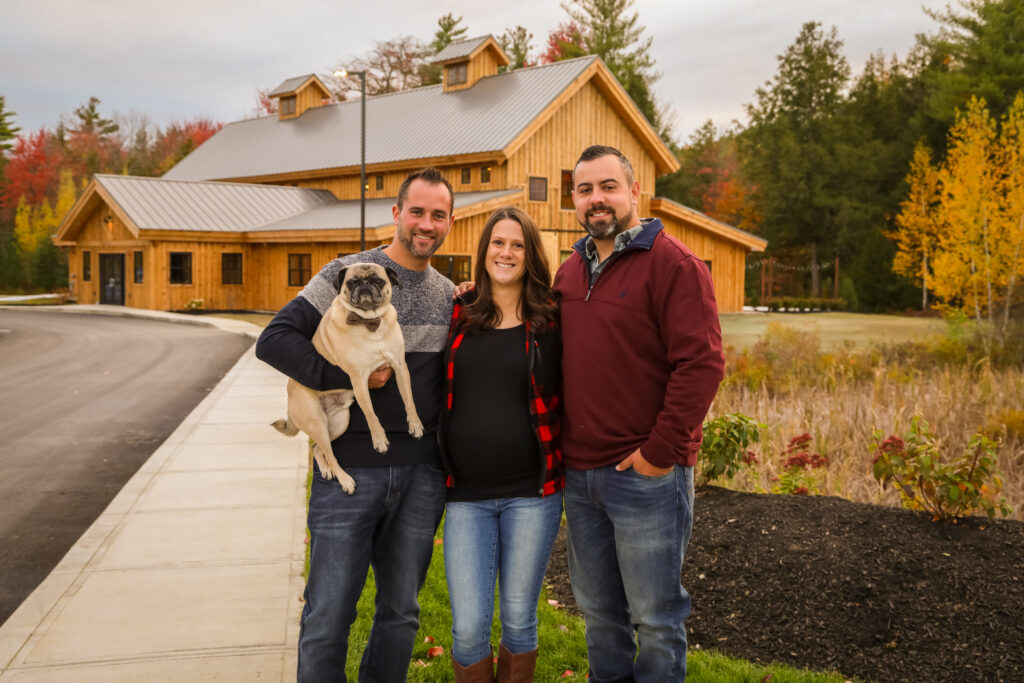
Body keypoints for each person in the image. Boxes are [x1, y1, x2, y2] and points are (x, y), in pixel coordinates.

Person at [255, 167, 456, 682]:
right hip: (349, 469)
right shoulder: (342, 274)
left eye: (438, 214)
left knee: (401, 613)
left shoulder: (447, 294)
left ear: (450, 221)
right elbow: (275, 338)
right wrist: (339, 378)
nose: (426, 224)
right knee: (327, 615)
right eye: (417, 211)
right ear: (396, 214)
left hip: (420, 475)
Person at [552, 145, 725, 682]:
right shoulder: (571, 271)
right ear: (574, 200)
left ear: (633, 193)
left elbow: (702, 365)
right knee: (601, 615)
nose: (596, 199)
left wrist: (658, 453)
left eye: (607, 186)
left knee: (654, 618)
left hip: (645, 478)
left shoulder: (674, 264)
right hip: (580, 477)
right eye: (585, 190)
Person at [438, 206, 563, 683]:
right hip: (465, 494)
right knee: (469, 626)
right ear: (483, 250)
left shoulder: (550, 317)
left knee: (518, 616)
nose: (506, 252)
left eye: (517, 244)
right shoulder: (459, 310)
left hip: (532, 492)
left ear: (530, 254)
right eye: (498, 242)